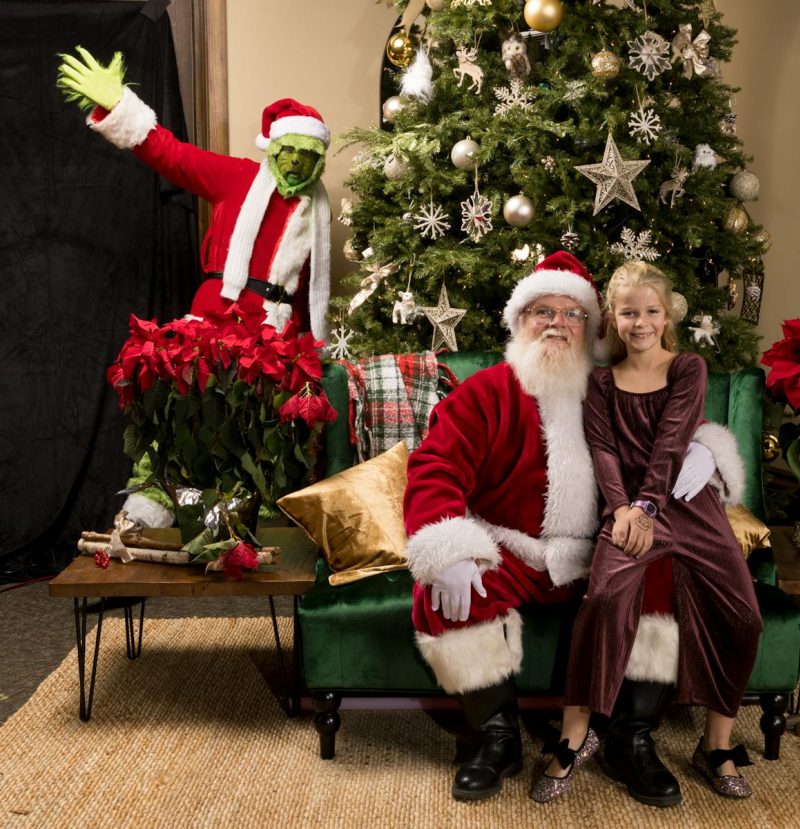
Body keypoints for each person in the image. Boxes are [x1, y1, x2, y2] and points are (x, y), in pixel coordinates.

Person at [402, 252, 746, 802]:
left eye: (572, 313)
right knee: (447, 591)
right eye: (543, 311)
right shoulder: (488, 391)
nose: (557, 323)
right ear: (520, 320)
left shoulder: (617, 385)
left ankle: (629, 738)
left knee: (663, 579)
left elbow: (678, 426)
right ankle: (496, 738)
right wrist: (450, 548)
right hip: (512, 549)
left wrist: (707, 450)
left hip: (602, 549)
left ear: (593, 326)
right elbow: (434, 466)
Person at [57, 47, 333, 526]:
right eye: (288, 152)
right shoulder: (239, 178)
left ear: (318, 161)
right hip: (215, 321)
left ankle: (243, 513)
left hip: (275, 335)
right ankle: (150, 506)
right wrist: (118, 105)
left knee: (260, 431)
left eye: (307, 156)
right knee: (182, 414)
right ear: (272, 149)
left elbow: (309, 294)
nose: (295, 164)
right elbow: (171, 154)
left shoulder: (316, 216)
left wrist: (313, 351)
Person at [544, 261, 762, 807]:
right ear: (613, 320)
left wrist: (646, 504)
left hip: (687, 507)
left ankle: (715, 744)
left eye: (650, 311)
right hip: (627, 511)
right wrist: (621, 509)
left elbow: (671, 440)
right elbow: (603, 450)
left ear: (667, 316)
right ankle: (575, 735)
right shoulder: (600, 382)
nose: (640, 322)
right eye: (628, 312)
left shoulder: (688, 367)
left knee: (743, 612)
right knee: (603, 599)